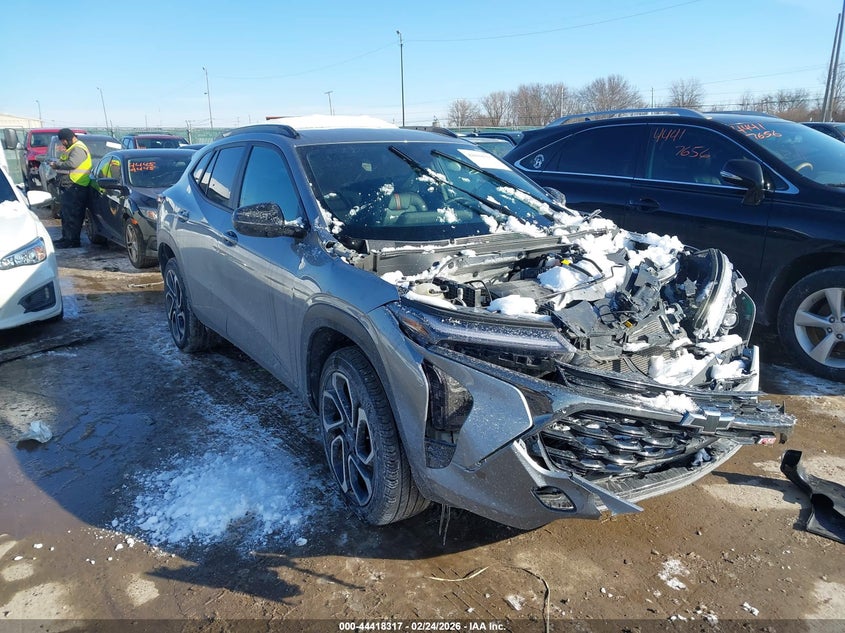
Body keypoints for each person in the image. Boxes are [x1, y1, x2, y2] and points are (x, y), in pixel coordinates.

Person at [50, 128, 92, 248]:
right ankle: (66, 238)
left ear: (68, 139)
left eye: (63, 141)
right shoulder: (72, 148)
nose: (62, 143)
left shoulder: (78, 148)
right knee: (66, 214)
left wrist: (57, 164)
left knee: (73, 215)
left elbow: (72, 164)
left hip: (76, 186)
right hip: (70, 185)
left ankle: (72, 241)